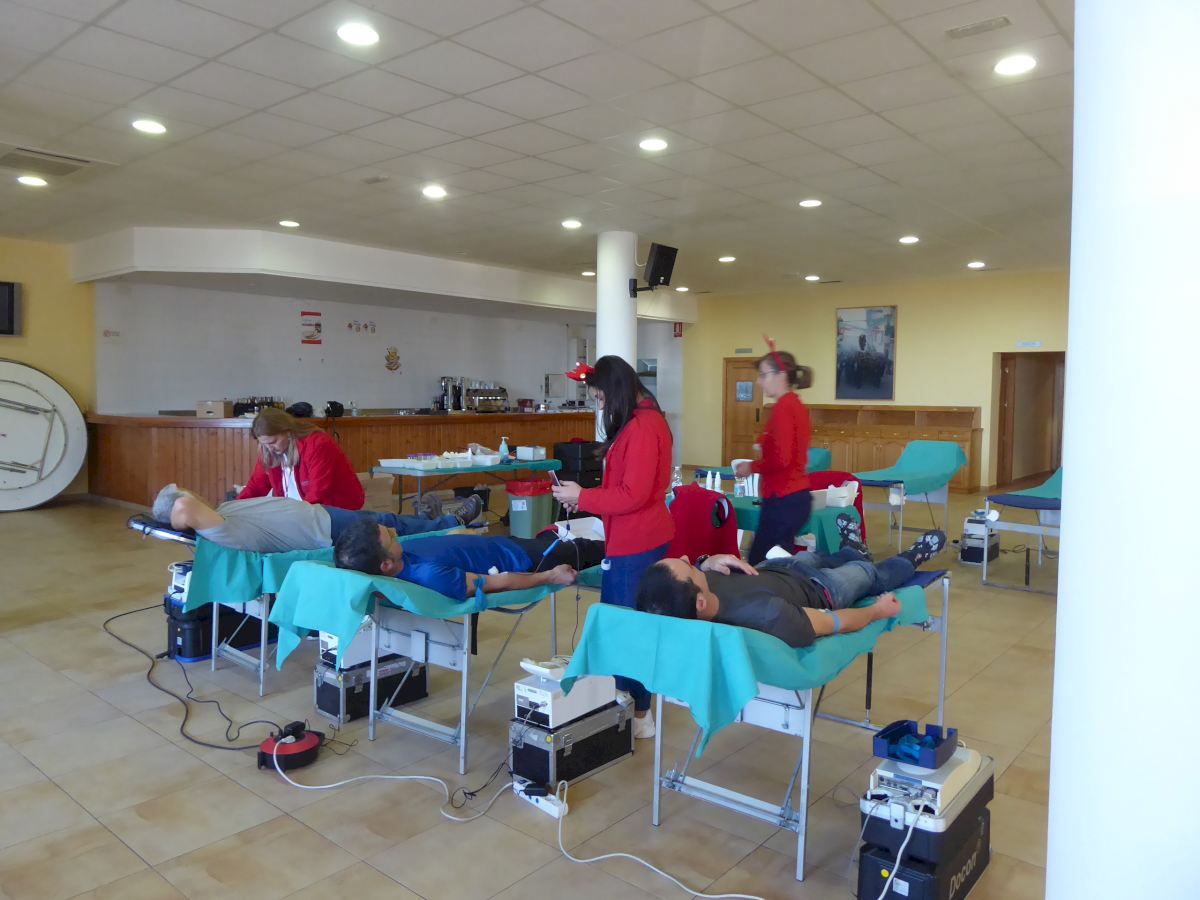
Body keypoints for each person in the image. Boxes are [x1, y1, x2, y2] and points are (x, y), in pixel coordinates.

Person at [551, 356, 674, 740]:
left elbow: (632, 494)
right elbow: (624, 489)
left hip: (637, 541)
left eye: (601, 398)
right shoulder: (643, 421)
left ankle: (638, 711)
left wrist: (584, 496)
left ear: (617, 391)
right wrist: (585, 499)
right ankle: (631, 704)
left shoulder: (642, 427)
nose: (600, 407)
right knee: (627, 624)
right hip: (632, 536)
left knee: (628, 627)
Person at [636, 520, 946, 648]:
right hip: (823, 589)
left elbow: (694, 573)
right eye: (689, 567)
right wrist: (877, 612)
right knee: (867, 574)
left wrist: (707, 561)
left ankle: (852, 549)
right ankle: (911, 557)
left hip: (779, 566)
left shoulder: (689, 599)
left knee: (822, 556)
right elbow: (833, 622)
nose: (689, 558)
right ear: (700, 603)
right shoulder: (766, 614)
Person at [151, 484, 481, 554]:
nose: (193, 493)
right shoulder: (217, 529)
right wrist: (173, 506)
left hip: (318, 517)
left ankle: (439, 523)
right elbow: (184, 508)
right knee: (391, 526)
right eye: (186, 492)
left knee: (391, 521)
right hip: (321, 529)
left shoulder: (218, 516)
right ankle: (450, 525)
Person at [334, 517, 605, 599]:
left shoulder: (400, 557)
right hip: (522, 560)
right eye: (391, 537)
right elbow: (500, 582)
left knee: (557, 537)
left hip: (502, 545)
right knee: (587, 549)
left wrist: (456, 536)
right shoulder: (429, 575)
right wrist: (551, 576)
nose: (396, 534)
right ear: (385, 565)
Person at [733, 349, 814, 565]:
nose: (759, 382)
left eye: (763, 375)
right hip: (792, 497)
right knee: (774, 563)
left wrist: (751, 467)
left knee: (761, 565)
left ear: (781, 375)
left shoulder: (784, 408)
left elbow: (781, 459)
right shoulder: (793, 404)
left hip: (784, 499)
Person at [239, 408, 365, 509]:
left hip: (334, 509)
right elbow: (256, 486)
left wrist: (295, 518)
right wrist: (234, 509)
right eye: (263, 444)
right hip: (301, 511)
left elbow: (318, 491)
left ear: (288, 432)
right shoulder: (268, 450)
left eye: (273, 442)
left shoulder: (317, 444)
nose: (269, 448)